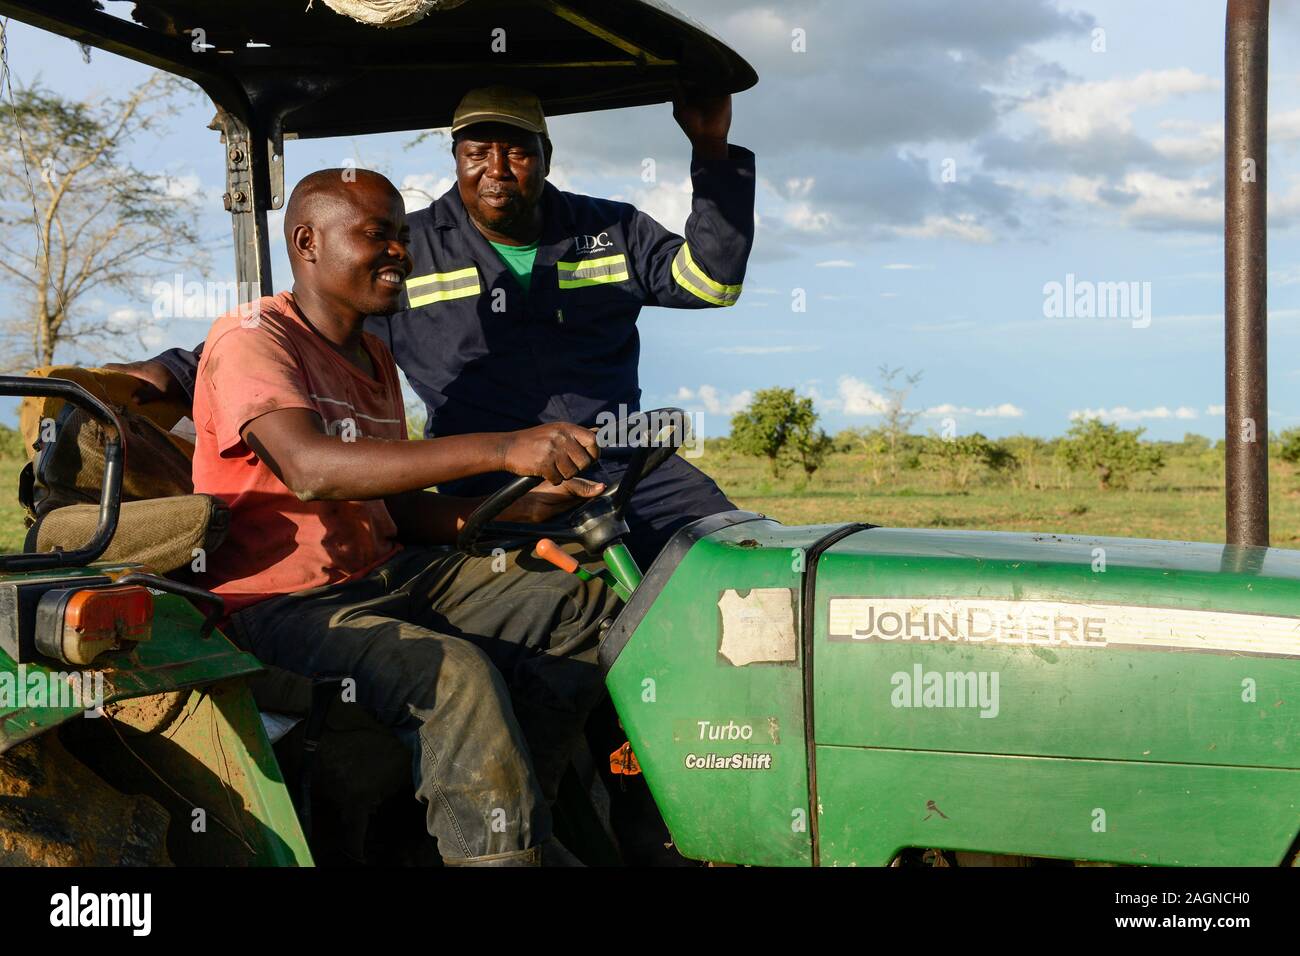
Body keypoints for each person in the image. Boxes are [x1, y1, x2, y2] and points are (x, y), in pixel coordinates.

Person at [112, 84, 756, 571]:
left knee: (745, 564)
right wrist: (175, 368)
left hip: (627, 462)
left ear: (546, 157)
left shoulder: (612, 230)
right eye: (478, 152)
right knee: (568, 602)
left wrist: (711, 150)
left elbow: (711, 282)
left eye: (517, 152)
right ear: (456, 160)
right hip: (497, 480)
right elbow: (297, 325)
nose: (497, 169)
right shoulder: (402, 252)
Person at [194, 166, 620, 866]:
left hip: (385, 574)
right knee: (451, 672)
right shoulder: (253, 338)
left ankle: (508, 831)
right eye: (377, 236)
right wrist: (502, 447)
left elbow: (393, 509)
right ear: (306, 241)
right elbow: (311, 469)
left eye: (402, 236)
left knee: (577, 606)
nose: (401, 252)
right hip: (285, 606)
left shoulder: (372, 357)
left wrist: (525, 508)